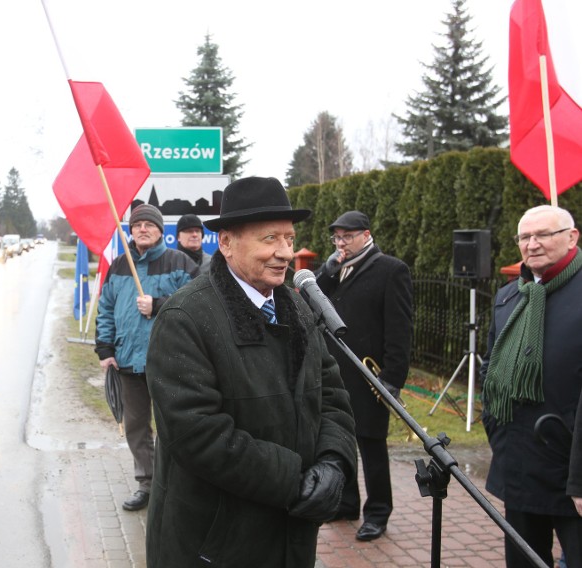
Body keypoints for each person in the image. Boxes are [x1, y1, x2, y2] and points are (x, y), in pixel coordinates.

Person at [145, 177, 357, 567]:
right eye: (269, 239)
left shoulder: (299, 309)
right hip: (214, 545)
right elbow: (197, 433)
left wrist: (333, 463)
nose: (284, 253)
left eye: (289, 239)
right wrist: (295, 482)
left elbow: (332, 397)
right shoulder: (184, 318)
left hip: (289, 535)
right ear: (226, 243)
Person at [480, 205, 582, 568]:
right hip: (520, 468)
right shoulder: (510, 297)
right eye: (525, 237)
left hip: (572, 474)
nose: (532, 244)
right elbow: (491, 370)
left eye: (543, 235)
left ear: (572, 237)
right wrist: (494, 427)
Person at [314, 210, 413, 542]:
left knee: (371, 445)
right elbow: (312, 297)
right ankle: (347, 503)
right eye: (337, 237)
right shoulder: (336, 269)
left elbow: (400, 329)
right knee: (340, 440)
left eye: (347, 236)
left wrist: (393, 379)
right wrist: (328, 269)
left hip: (371, 373)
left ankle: (378, 512)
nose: (341, 243)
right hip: (336, 370)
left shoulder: (390, 269)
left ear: (366, 234)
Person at [95, 203, 199, 512]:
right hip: (127, 362)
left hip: (169, 361)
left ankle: (178, 483)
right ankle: (147, 483)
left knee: (175, 425)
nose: (142, 229)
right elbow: (106, 310)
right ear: (130, 230)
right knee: (137, 427)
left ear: (160, 231)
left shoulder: (179, 262)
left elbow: (196, 304)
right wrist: (105, 348)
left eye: (149, 225)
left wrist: (159, 304)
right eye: (137, 224)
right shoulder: (117, 266)